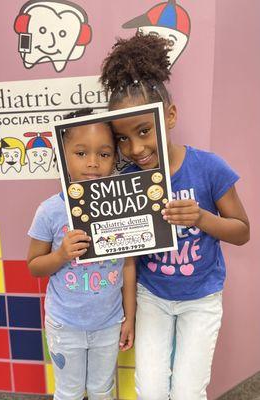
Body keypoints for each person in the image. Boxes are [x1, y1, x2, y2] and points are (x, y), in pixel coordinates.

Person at [99, 33, 250, 400]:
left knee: (187, 391)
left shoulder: (208, 168)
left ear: (169, 115)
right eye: (122, 138)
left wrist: (201, 218)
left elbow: (242, 231)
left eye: (144, 131)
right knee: (149, 389)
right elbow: (126, 255)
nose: (135, 148)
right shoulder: (126, 180)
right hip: (152, 295)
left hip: (201, 298)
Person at [27, 108, 136, 400]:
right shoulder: (50, 210)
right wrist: (61, 254)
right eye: (80, 153)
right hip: (65, 325)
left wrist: (129, 317)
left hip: (109, 323)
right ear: (63, 157)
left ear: (115, 158)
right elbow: (35, 266)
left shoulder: (123, 207)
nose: (92, 163)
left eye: (103, 154)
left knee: (102, 390)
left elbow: (127, 266)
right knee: (69, 392)